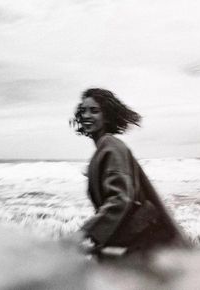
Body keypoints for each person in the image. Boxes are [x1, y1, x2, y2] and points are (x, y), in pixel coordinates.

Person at [71, 88, 188, 257]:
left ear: (107, 116)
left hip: (147, 242)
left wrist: (82, 234)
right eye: (83, 111)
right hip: (135, 241)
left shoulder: (111, 147)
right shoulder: (105, 149)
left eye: (94, 111)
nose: (86, 116)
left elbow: (120, 200)